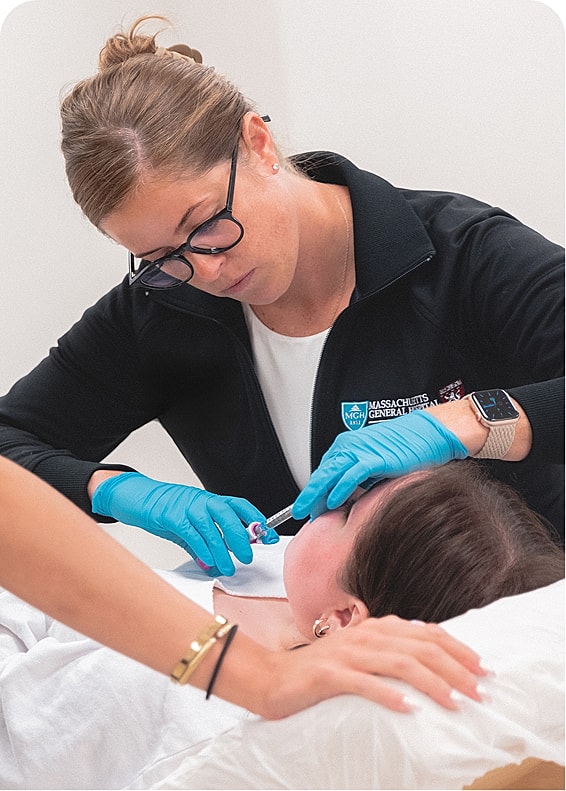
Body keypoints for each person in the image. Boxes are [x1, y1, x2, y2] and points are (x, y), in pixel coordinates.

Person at [0, 17, 562, 576]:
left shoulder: (462, 255)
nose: (205, 269)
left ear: (258, 143)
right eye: (162, 258)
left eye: (207, 225)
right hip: (326, 637)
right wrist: (111, 489)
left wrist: (467, 424)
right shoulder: (160, 309)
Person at [0, 458, 562, 789]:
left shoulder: (165, 698)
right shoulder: (283, 578)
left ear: (343, 619)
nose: (319, 504)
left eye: (343, 512)